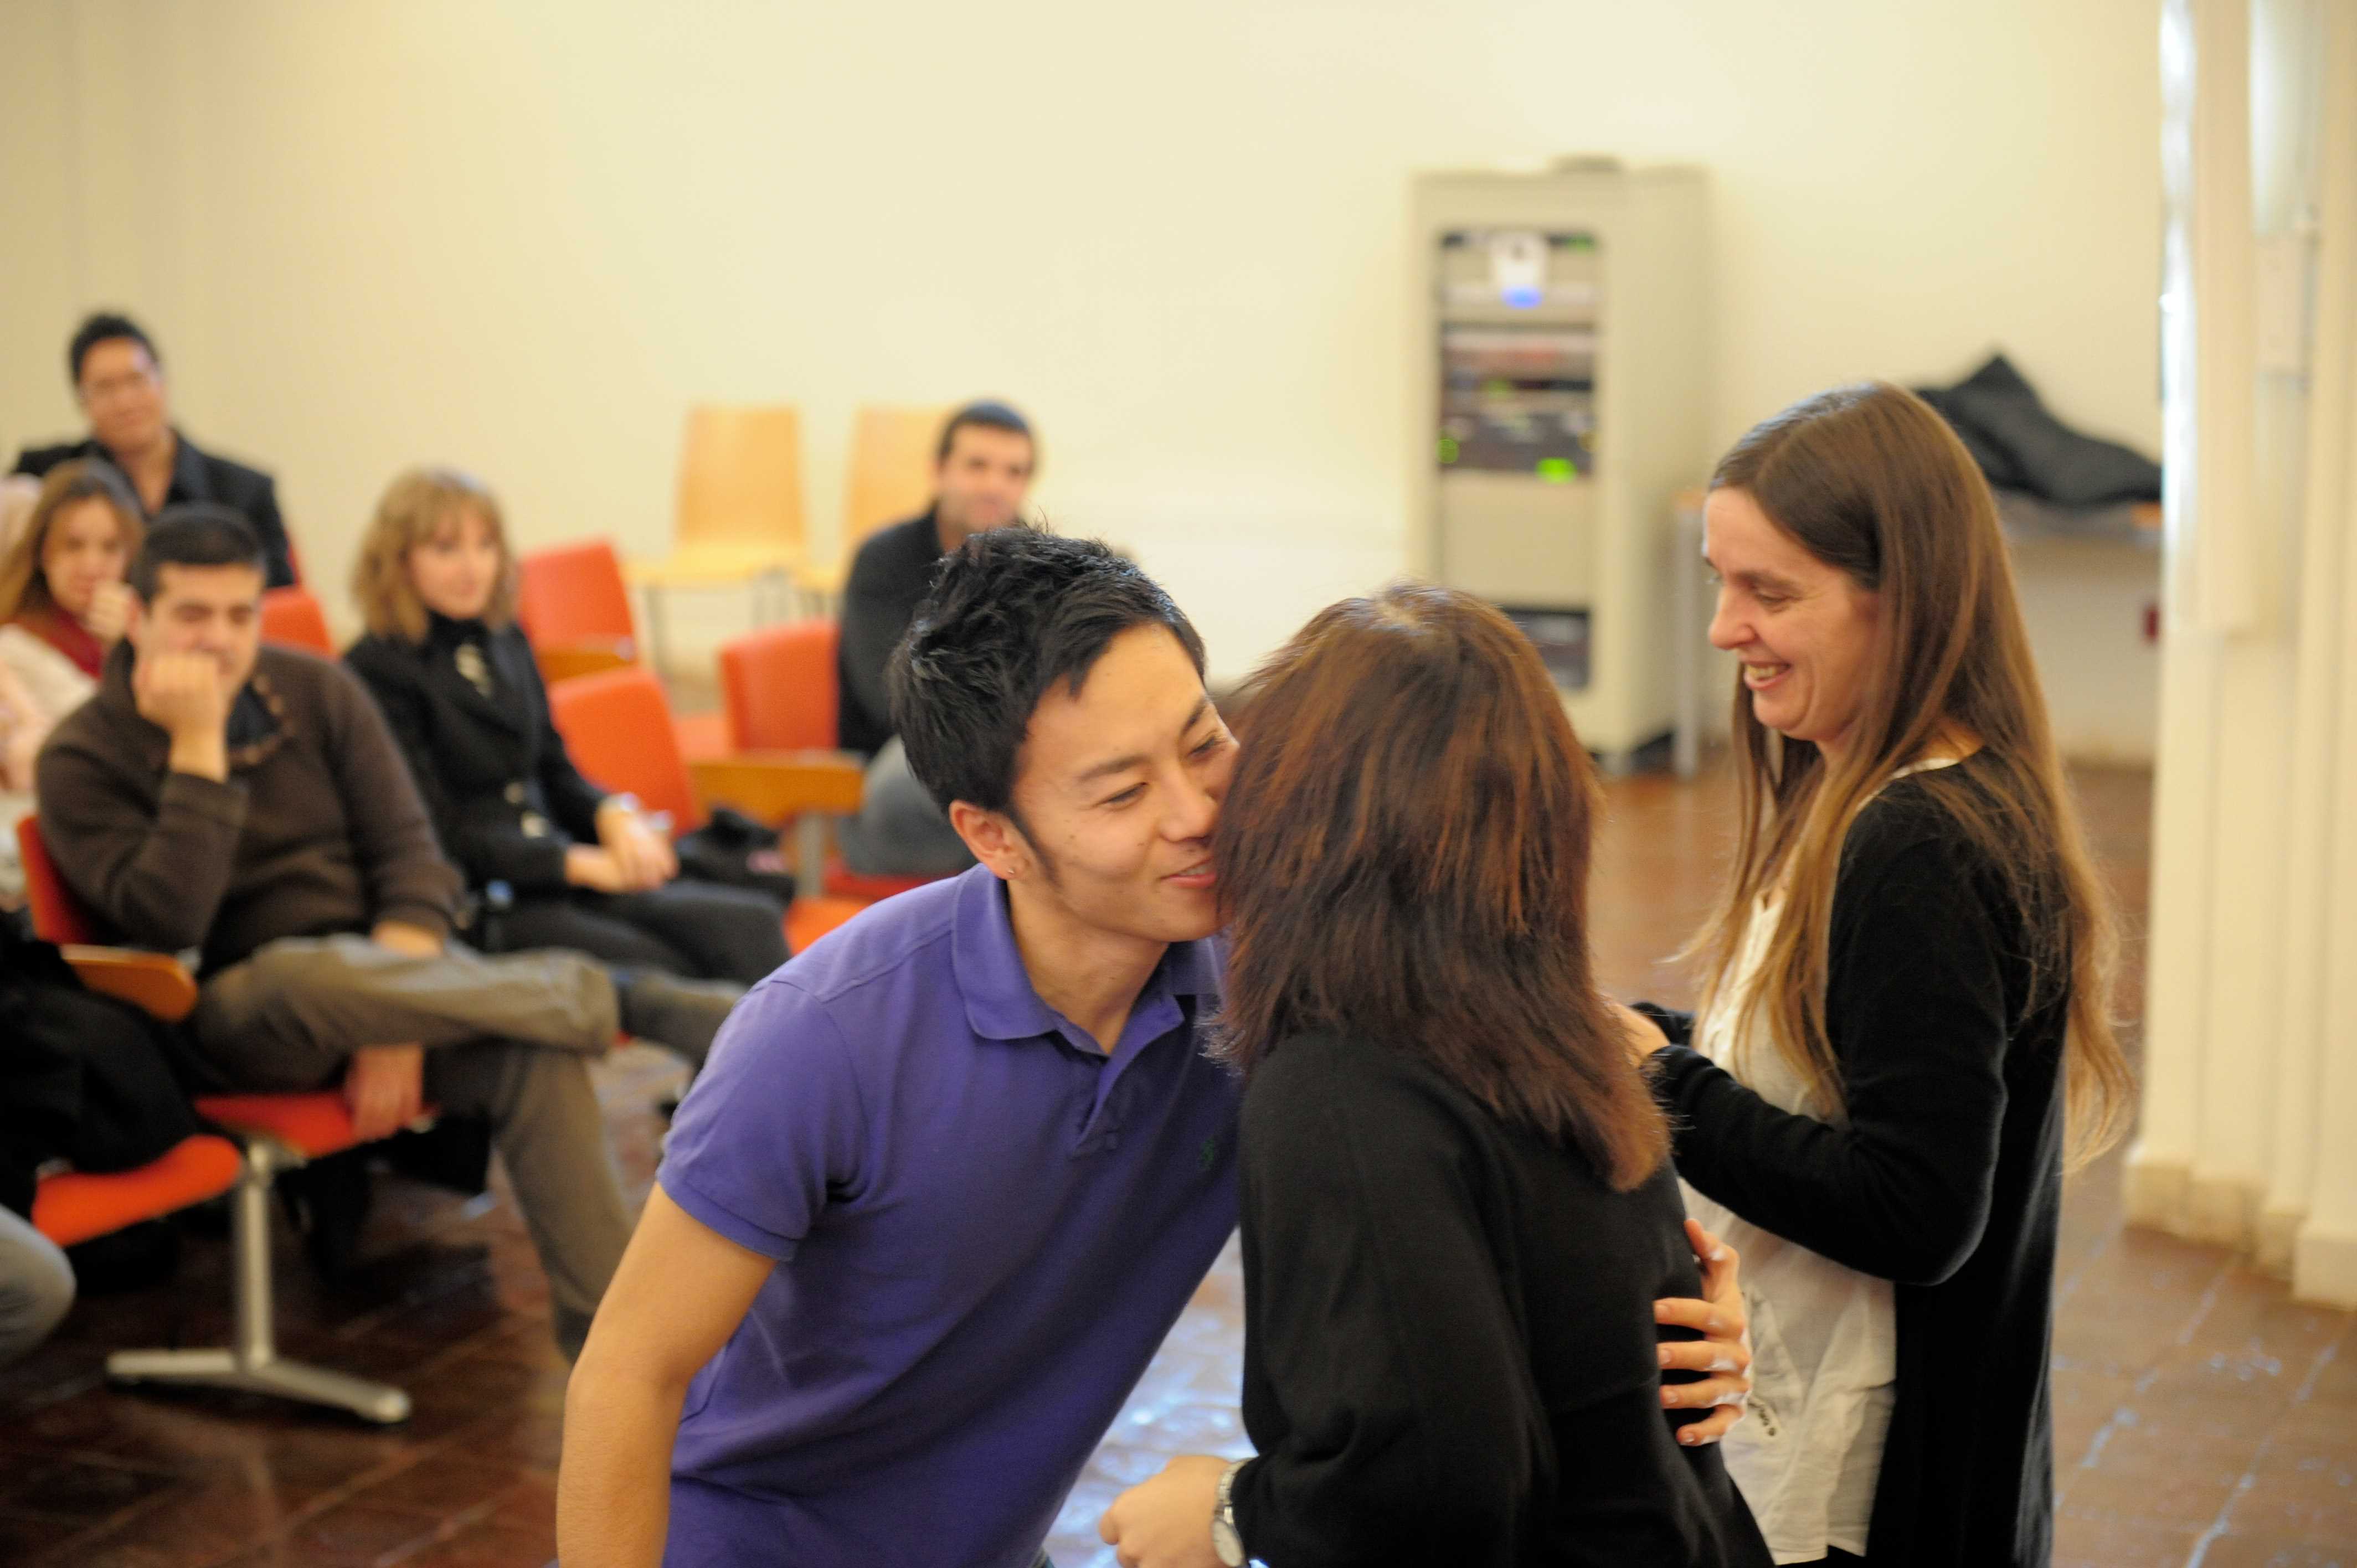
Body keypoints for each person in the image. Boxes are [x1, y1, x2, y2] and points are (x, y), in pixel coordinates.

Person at [556, 528, 1753, 1568]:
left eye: (1203, 741)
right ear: (994, 836)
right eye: (1121, 792)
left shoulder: (1279, 968)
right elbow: (626, 1379)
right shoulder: (824, 1034)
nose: (1194, 815)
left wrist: (1666, 1285)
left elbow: (1537, 1045)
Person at [1095, 585, 1771, 1568]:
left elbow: (1435, 1483)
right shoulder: (1547, 1021)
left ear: (1303, 816)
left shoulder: (1337, 1088)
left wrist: (1229, 1512)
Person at [1617, 384, 2136, 1568]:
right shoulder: (1859, 784)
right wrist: (1657, 1038)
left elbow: (1914, 1210)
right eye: (1719, 580)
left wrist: (1669, 1087)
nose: (1721, 629)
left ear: (1899, 604)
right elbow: (1836, 1055)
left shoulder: (1922, 841)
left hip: (1855, 1493)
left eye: (1770, 593)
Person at [35, 507, 739, 1358]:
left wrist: (399, 1017)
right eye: (192, 616)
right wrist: (197, 747)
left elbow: (415, 860)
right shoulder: (81, 755)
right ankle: (615, 997)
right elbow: (165, 922)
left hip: (391, 982)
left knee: (535, 1057)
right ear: (136, 616)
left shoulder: (315, 688)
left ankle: (625, 1354)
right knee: (307, 971)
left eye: (240, 616)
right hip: (229, 1015)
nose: (220, 641)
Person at [345, 467, 788, 989]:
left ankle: (811, 1069)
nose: (472, 568)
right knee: (671, 970)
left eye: (486, 545)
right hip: (494, 896)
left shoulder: (503, 638)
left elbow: (554, 766)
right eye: (446, 549)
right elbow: (433, 833)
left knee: (749, 923)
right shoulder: (376, 670)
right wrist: (572, 864)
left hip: (564, 866)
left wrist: (612, 812)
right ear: (399, 560)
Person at [832, 400, 1036, 878]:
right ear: (939, 470)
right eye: (977, 466)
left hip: (1003, 776)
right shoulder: (882, 559)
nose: (994, 485)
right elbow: (895, 701)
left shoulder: (1034, 564)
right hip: (897, 791)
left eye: (1013, 472)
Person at [13, 313, 296, 589]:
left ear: (162, 381)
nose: (125, 402)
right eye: (105, 388)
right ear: (82, 401)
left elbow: (279, 607)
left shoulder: (245, 493)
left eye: (136, 380)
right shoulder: (43, 477)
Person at [0, 462, 145, 904]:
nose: (92, 566)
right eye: (73, 546)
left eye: (110, 548)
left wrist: (139, 645)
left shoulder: (152, 637)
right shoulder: (15, 645)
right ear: (44, 554)